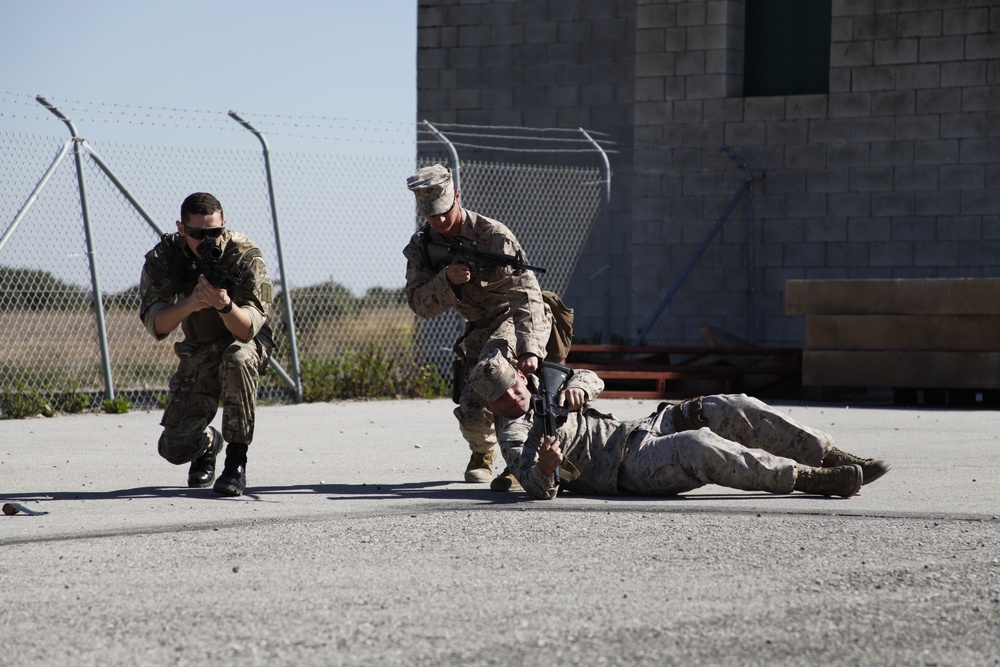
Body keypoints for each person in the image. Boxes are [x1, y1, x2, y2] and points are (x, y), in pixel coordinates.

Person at [466, 349, 891, 500]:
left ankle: (826, 452)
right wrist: (545, 468)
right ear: (489, 404)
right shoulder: (515, 436)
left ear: (521, 374)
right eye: (502, 395)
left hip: (640, 427)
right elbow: (536, 486)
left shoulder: (543, 382)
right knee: (696, 445)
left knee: (728, 405)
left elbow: (594, 378)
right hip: (629, 467)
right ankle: (808, 479)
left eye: (514, 383)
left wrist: (578, 386)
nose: (514, 394)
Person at [403, 164, 552, 488]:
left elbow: (528, 294)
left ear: (457, 196)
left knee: (498, 378)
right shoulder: (422, 247)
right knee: (472, 410)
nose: (440, 222)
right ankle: (483, 453)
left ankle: (518, 461)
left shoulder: (493, 235)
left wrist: (530, 349)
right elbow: (418, 304)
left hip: (513, 318)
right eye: (432, 217)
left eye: (445, 213)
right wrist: (446, 280)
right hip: (479, 329)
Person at [139, 192, 275, 497]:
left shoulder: (245, 255)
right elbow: (157, 324)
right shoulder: (166, 257)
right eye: (198, 234)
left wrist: (224, 304)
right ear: (181, 228)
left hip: (245, 340)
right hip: (200, 345)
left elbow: (248, 328)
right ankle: (207, 443)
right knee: (173, 447)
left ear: (224, 225)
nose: (208, 241)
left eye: (214, 232)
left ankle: (235, 464)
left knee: (237, 358)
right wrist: (192, 303)